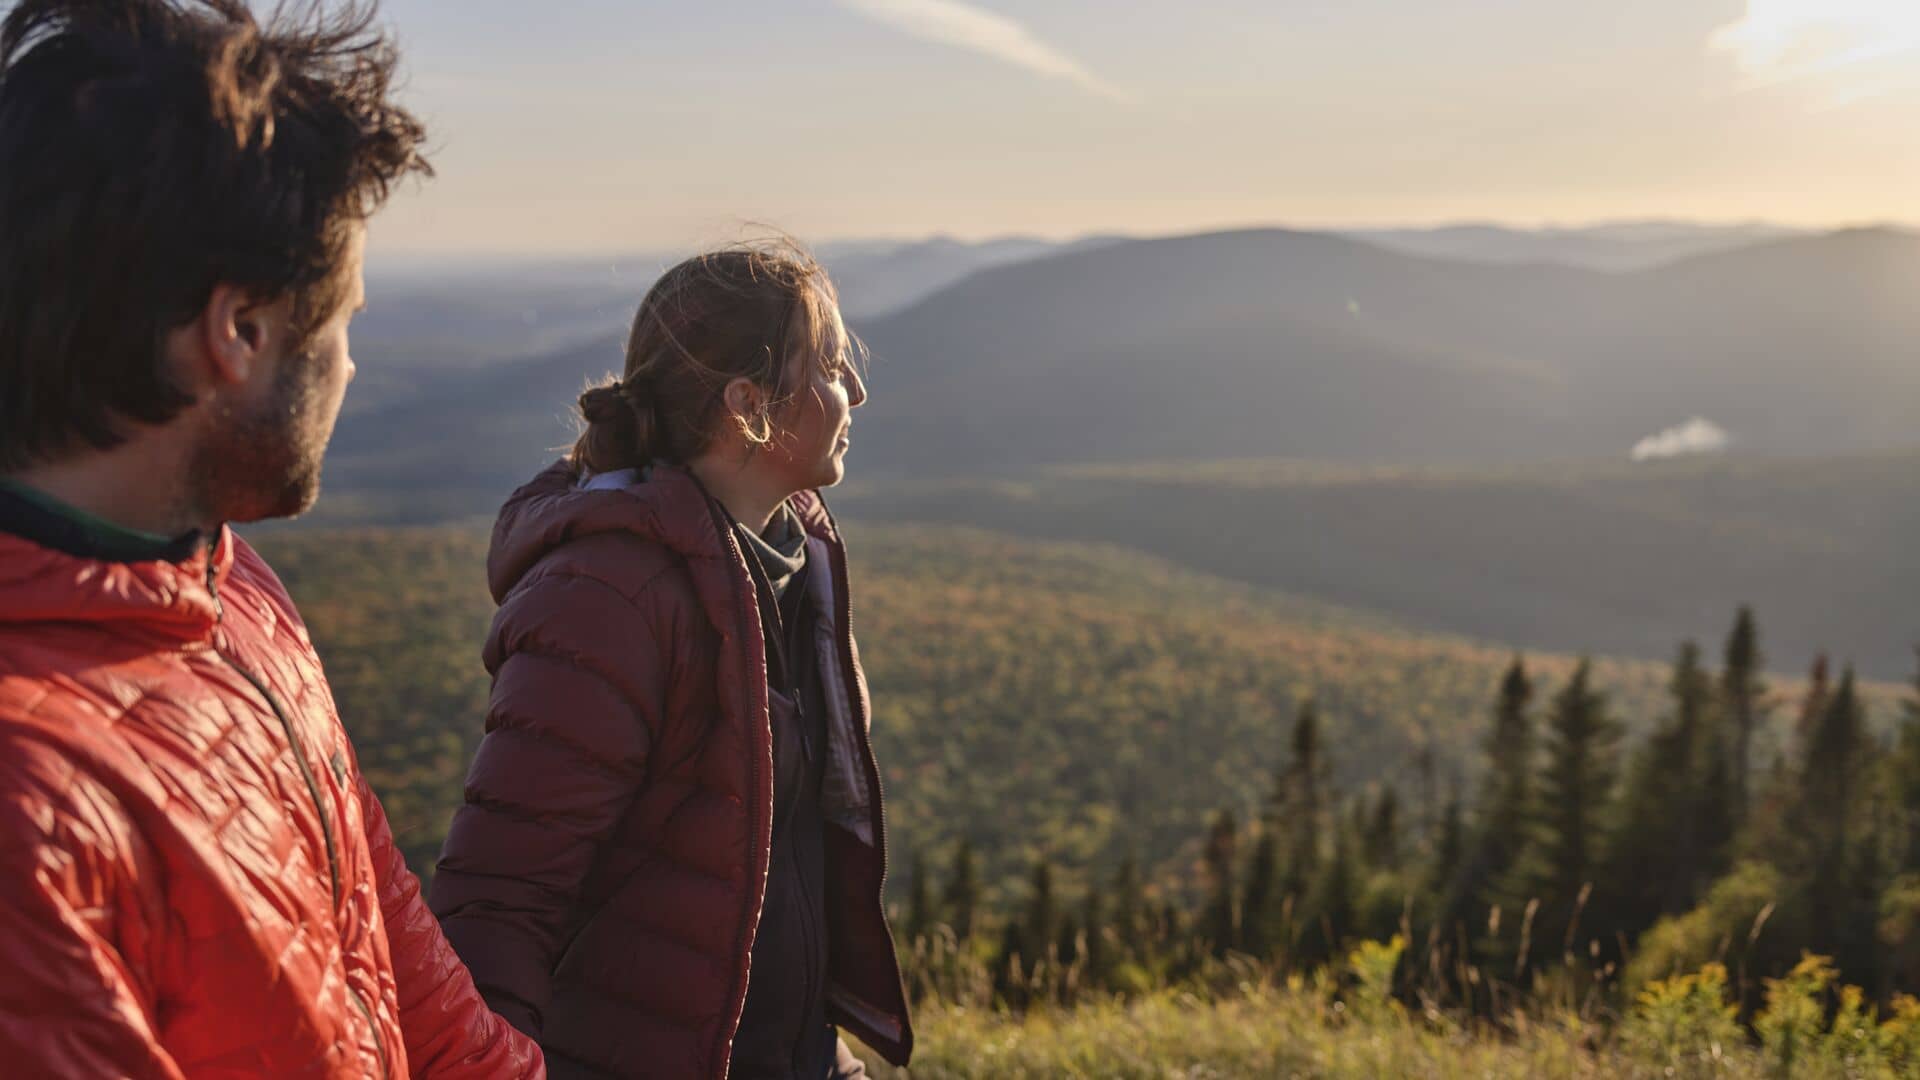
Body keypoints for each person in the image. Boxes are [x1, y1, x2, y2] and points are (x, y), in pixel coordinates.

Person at [0, 1, 542, 1076]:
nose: (349, 370)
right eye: (341, 325)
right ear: (237, 333)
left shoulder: (230, 584)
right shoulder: (32, 816)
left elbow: (384, 927)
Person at [428, 243, 914, 1079]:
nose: (857, 392)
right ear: (748, 403)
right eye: (832, 366)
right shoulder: (609, 595)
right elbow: (501, 899)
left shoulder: (791, 558)